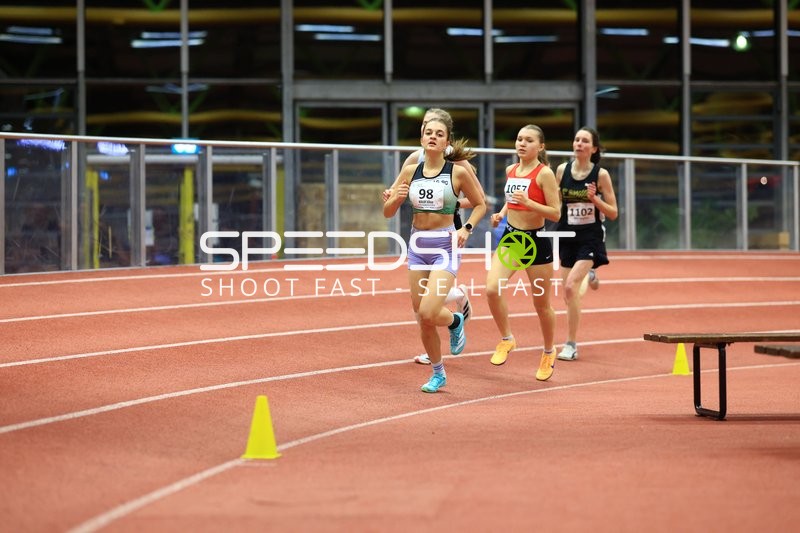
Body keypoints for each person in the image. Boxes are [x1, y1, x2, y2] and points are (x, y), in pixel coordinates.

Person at [383, 115, 486, 393]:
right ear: (421, 138)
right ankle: (438, 373)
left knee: (429, 312)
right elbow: (388, 212)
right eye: (428, 132)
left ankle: (455, 320)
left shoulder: (457, 172)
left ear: (446, 142)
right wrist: (395, 198)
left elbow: (480, 204)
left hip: (445, 246)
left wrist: (466, 228)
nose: (433, 137)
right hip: (418, 245)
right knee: (421, 315)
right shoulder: (410, 171)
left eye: (439, 134)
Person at [485, 125, 561, 381]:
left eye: (529, 140)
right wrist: (501, 214)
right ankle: (507, 338)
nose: (522, 143)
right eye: (519, 139)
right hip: (512, 239)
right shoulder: (511, 170)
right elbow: (512, 200)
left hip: (536, 242)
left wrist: (530, 203)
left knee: (541, 305)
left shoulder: (545, 174)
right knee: (492, 289)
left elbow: (555, 213)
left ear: (540, 146)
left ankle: (548, 351)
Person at [554, 126, 618, 361]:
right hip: (567, 235)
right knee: (568, 293)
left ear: (594, 148)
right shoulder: (562, 170)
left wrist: (594, 200)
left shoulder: (601, 175)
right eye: (577, 140)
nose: (579, 144)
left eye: (585, 141)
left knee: (571, 286)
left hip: (590, 237)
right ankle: (589, 275)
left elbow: (613, 213)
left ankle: (571, 344)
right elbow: (555, 204)